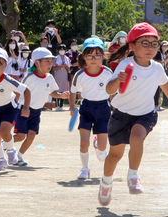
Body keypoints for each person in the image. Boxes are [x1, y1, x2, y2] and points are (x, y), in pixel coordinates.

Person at [98, 22, 168, 206]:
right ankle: (106, 183)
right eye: (144, 43)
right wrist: (118, 80)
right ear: (132, 46)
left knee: (137, 137)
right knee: (115, 155)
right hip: (121, 115)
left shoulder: (157, 68)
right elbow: (109, 89)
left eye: (154, 44)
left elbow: (165, 84)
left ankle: (133, 176)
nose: (150, 48)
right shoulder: (125, 64)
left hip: (145, 115)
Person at [13, 47, 69, 166]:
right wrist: (13, 105)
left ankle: (19, 156)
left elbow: (51, 92)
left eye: (51, 61)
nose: (50, 64)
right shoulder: (29, 76)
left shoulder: (49, 77)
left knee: (31, 135)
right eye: (47, 61)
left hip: (37, 111)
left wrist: (61, 96)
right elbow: (19, 91)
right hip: (24, 109)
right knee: (20, 136)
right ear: (37, 62)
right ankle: (3, 146)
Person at [69, 38, 113, 179]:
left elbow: (112, 92)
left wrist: (116, 107)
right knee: (83, 142)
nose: (93, 59)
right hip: (86, 108)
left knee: (102, 148)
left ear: (103, 56)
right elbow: (73, 91)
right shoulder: (79, 75)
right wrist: (71, 107)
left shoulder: (108, 73)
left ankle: (97, 144)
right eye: (90, 55)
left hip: (103, 109)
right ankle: (85, 169)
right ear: (84, 57)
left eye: (97, 55)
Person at [153, 40, 168, 111]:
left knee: (160, 90)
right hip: (157, 73)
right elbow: (160, 62)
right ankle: (155, 105)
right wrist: (166, 59)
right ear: (161, 46)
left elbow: (167, 66)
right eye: (164, 46)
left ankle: (158, 104)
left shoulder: (166, 55)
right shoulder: (158, 53)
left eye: (167, 46)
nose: (165, 47)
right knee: (156, 90)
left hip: (163, 73)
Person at [52, 44, 71, 111]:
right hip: (58, 75)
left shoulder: (67, 58)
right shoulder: (55, 58)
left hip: (65, 76)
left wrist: (65, 66)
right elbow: (53, 68)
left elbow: (69, 69)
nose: (62, 51)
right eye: (60, 49)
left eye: (63, 50)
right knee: (58, 89)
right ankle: (57, 105)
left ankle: (61, 105)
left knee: (64, 89)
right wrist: (61, 66)